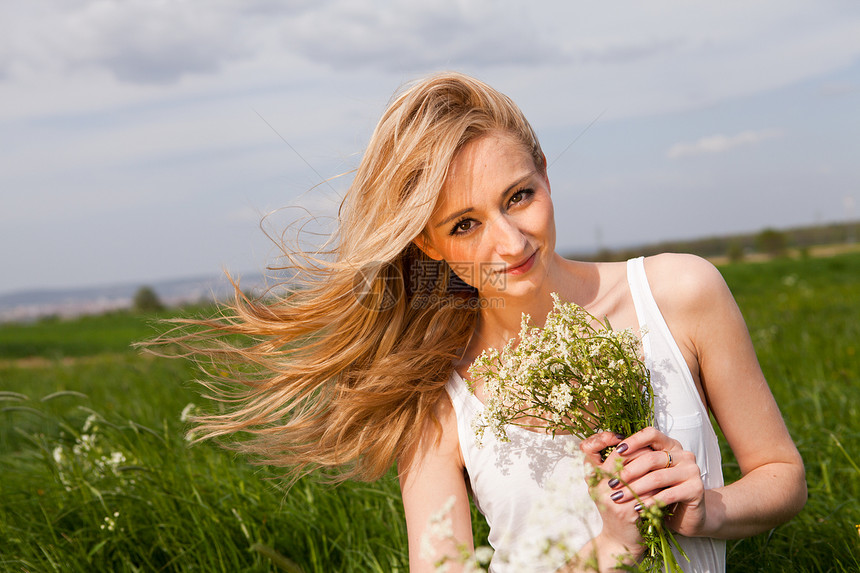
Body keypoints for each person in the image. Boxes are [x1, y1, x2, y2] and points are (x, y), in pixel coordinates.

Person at [167, 72, 806, 572]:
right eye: (464, 225)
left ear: (546, 174)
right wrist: (609, 552)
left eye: (519, 197)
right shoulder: (431, 391)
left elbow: (784, 478)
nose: (509, 242)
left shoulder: (680, 292)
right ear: (429, 247)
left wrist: (704, 512)